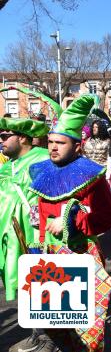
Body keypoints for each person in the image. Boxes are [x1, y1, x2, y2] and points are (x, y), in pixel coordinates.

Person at [24, 94, 111, 352]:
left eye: (60, 143)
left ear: (77, 146)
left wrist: (71, 220)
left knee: (87, 331)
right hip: (49, 258)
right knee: (57, 327)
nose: (53, 147)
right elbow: (43, 218)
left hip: (81, 255)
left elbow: (110, 217)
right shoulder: (42, 170)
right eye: (51, 142)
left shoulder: (92, 176)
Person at [0, 117, 49, 303]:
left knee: (44, 280)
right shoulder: (6, 167)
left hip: (36, 234)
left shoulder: (44, 158)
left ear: (22, 138)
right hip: (11, 236)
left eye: (5, 136)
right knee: (23, 282)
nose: (1, 141)